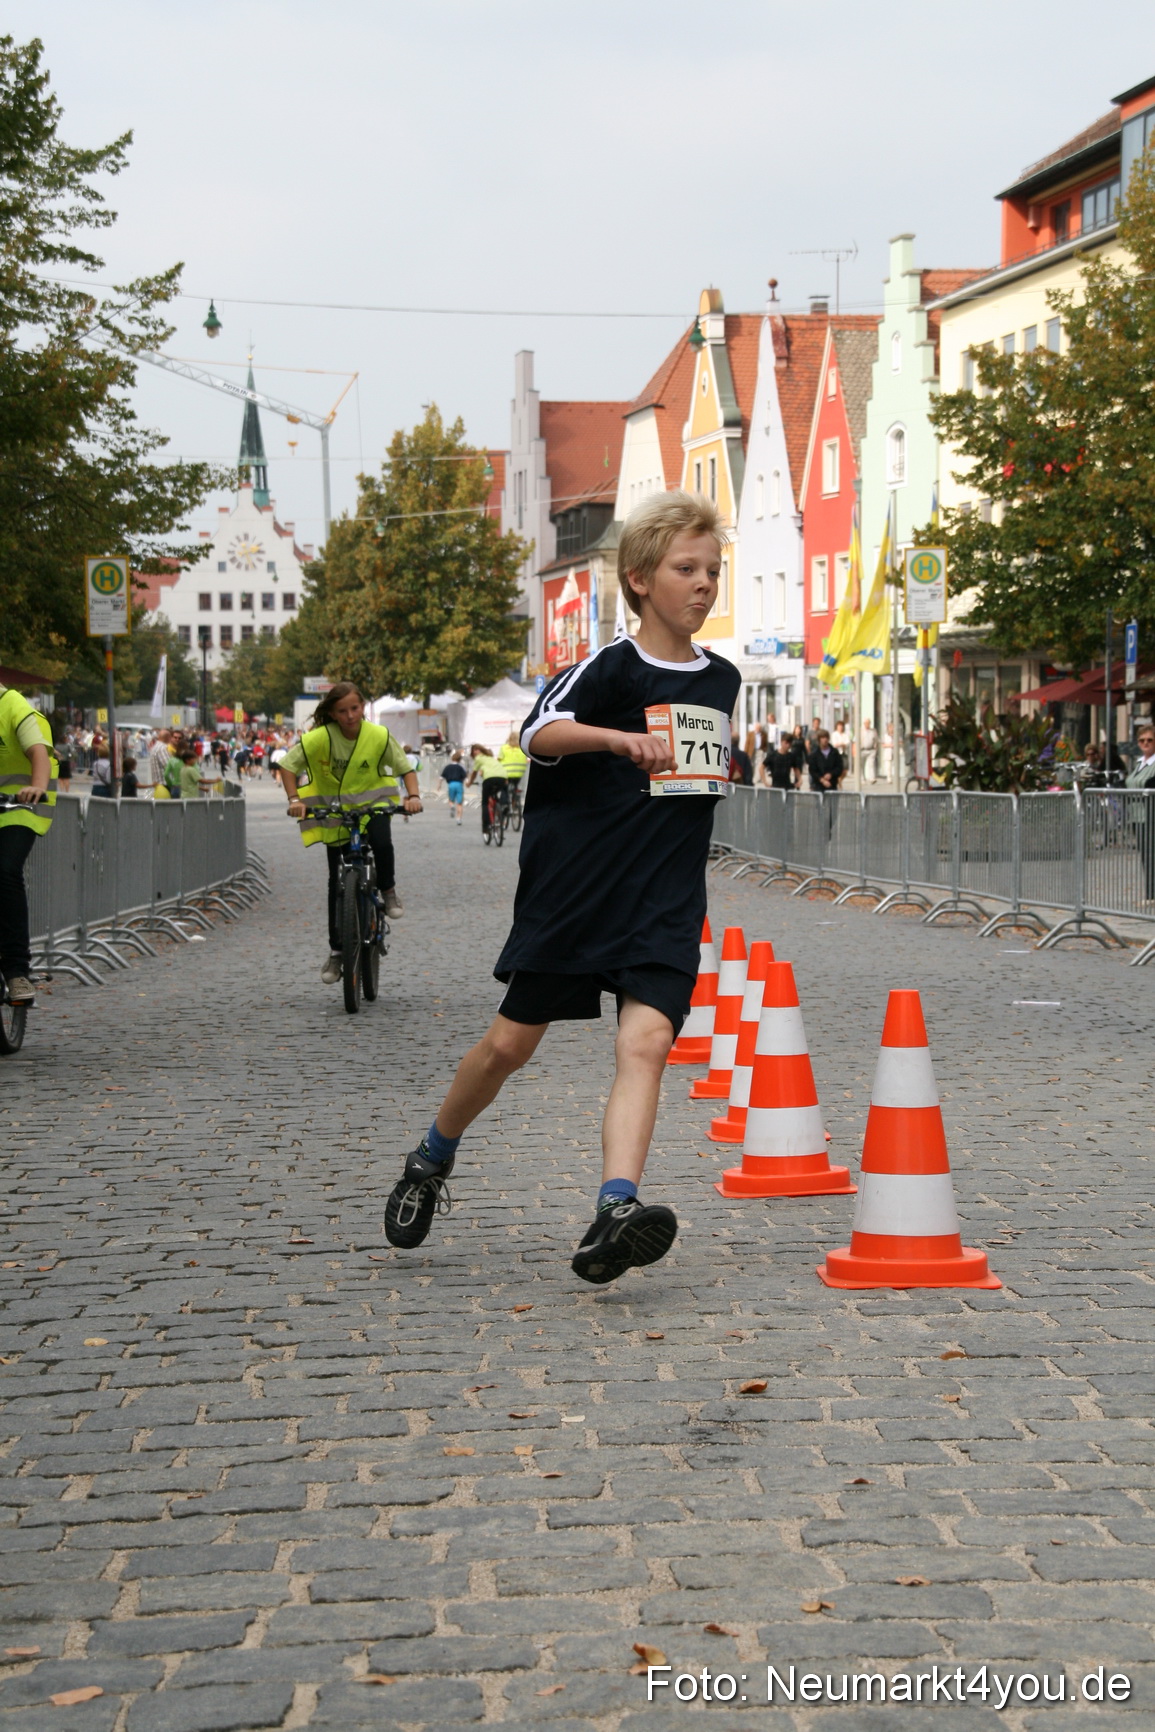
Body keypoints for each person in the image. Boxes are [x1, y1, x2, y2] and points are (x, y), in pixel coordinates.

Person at [383, 489, 741, 1284]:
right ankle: (431, 1157)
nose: (703, 584)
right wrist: (617, 741)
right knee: (509, 1046)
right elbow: (537, 730)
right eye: (686, 569)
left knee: (646, 1044)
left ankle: (615, 1209)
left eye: (712, 570)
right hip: (577, 891)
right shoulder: (607, 667)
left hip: (663, 898)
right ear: (640, 579)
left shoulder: (722, 678)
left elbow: (695, 771)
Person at [281, 682, 421, 983]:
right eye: (342, 711)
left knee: (382, 843)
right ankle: (337, 952)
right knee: (337, 883)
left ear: (363, 707)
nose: (349, 716)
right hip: (336, 813)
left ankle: (388, 891)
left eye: (354, 708)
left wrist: (413, 796)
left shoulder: (378, 735)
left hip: (374, 806)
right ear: (332, 713)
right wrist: (294, 800)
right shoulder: (319, 738)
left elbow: (405, 769)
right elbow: (287, 767)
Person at [0, 681, 57, 1007]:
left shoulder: (11, 704)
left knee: (5, 870)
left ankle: (16, 970)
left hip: (19, 807)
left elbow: (38, 751)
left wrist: (36, 787)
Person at [1126, 722, 1155, 900]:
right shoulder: (1139, 763)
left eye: (1150, 740)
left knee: (1152, 854)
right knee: (1145, 854)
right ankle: (1150, 893)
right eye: (1142, 740)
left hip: (1151, 814)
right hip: (1137, 814)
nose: (1145, 743)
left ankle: (1152, 894)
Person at [467, 743, 509, 839]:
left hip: (489, 779)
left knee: (485, 803)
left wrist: (469, 783)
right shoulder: (491, 759)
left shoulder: (478, 758)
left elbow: (474, 773)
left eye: (476, 750)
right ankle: (504, 806)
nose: (475, 752)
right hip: (502, 778)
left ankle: (486, 827)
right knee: (497, 796)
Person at [441, 750, 466, 824]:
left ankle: (452, 806)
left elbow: (441, 777)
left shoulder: (448, 767)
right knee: (460, 803)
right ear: (460, 759)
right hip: (459, 784)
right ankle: (459, 819)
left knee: (451, 799)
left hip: (451, 784)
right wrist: (467, 783)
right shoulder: (460, 767)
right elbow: (465, 776)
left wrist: (439, 785)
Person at [861, 717, 878, 784]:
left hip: (871, 750)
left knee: (871, 764)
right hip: (862, 750)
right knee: (862, 765)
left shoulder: (873, 731)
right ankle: (862, 778)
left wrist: (875, 747)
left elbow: (876, 739)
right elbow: (855, 741)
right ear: (864, 724)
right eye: (866, 723)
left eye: (868, 723)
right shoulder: (860, 731)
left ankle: (872, 778)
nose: (867, 724)